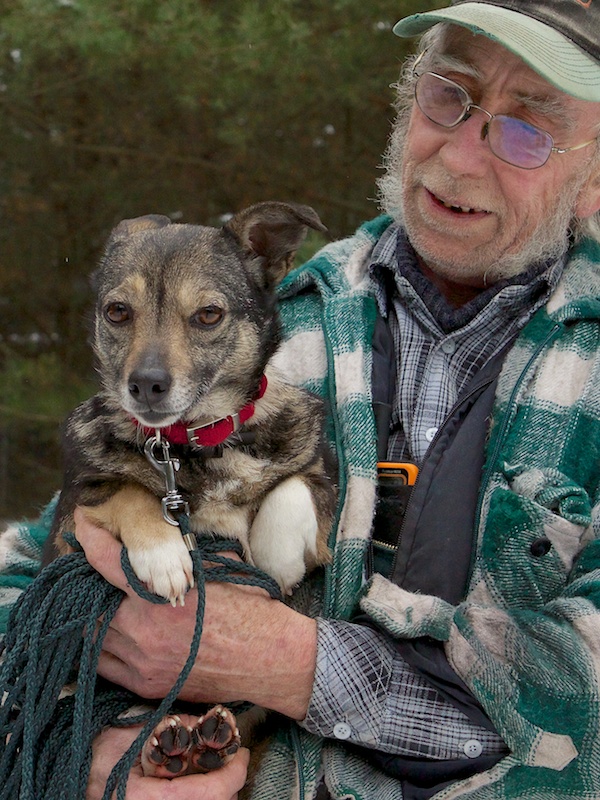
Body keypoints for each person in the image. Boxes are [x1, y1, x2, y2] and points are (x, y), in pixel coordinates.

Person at [2, 1, 600, 798]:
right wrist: (86, 753)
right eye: (449, 96)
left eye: (526, 131)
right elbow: (27, 576)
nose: (460, 155)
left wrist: (289, 664)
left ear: (595, 178)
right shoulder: (246, 327)